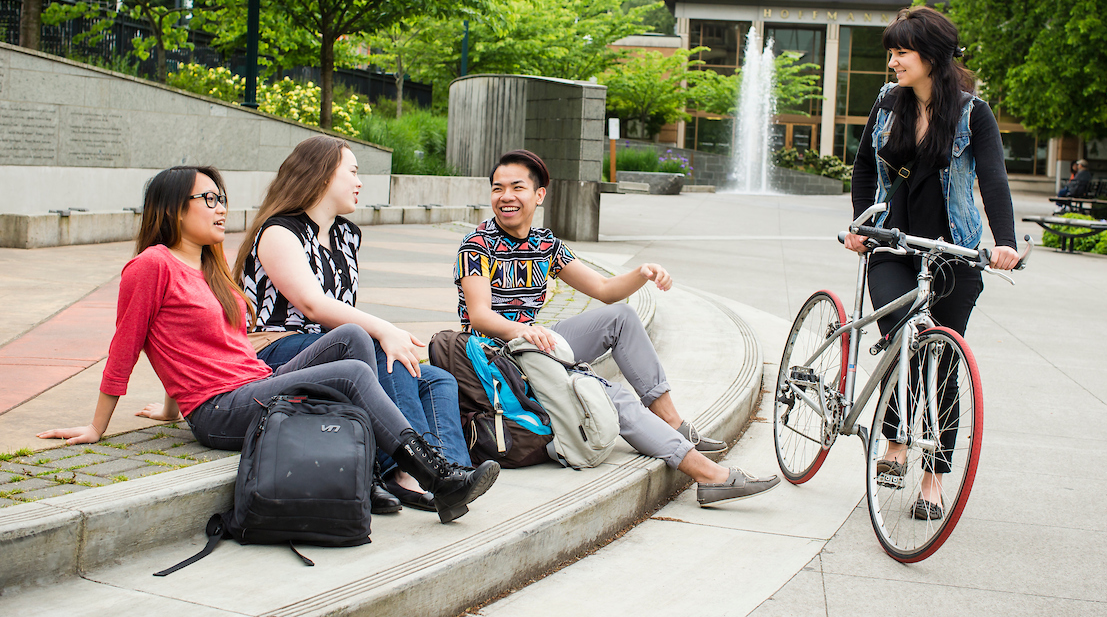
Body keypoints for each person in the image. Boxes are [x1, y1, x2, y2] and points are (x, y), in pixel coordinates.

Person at [37, 166, 498, 525]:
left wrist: (167, 408)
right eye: (209, 199)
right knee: (355, 372)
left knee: (353, 336)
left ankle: (377, 471)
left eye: (223, 199)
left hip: (255, 385)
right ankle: (438, 478)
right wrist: (97, 428)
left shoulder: (210, 268)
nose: (221, 209)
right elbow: (129, 345)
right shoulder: (149, 266)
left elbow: (193, 345)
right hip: (219, 410)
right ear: (175, 208)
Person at [456, 149, 780, 507]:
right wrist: (521, 331)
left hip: (535, 344)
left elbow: (605, 290)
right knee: (612, 397)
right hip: (497, 357)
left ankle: (672, 423)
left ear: (539, 195)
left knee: (622, 317)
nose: (505, 197)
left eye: (517, 187)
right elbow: (480, 317)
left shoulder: (545, 245)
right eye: (498, 188)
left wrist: (642, 273)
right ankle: (710, 476)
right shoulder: (477, 244)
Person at [234, 136, 472, 514]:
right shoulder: (279, 231)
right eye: (354, 172)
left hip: (342, 348)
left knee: (434, 378)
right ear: (323, 175)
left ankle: (452, 471)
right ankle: (409, 471)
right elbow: (313, 305)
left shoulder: (347, 236)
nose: (360, 182)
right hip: (280, 349)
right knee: (380, 347)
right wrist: (385, 330)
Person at [845, 7, 1019, 521]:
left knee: (942, 363)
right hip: (892, 248)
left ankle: (933, 478)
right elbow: (862, 167)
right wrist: (861, 223)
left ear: (932, 57)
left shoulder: (972, 114)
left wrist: (1004, 242)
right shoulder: (886, 102)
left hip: (953, 254)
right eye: (892, 52)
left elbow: (993, 178)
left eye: (902, 52)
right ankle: (895, 441)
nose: (893, 61)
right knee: (908, 339)